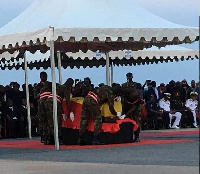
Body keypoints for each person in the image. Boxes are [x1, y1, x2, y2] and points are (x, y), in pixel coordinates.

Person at [45, 78, 74, 145]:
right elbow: (67, 101)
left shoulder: (59, 86)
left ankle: (50, 138)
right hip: (54, 102)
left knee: (50, 121)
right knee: (57, 121)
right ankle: (58, 138)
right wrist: (70, 111)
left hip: (48, 101)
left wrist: (63, 112)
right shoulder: (66, 88)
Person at [34, 72, 51, 143]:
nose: (45, 77)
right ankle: (43, 136)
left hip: (49, 105)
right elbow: (35, 97)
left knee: (49, 120)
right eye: (43, 76)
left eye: (46, 76)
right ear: (40, 77)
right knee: (42, 121)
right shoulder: (38, 86)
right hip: (41, 105)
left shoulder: (50, 85)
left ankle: (50, 136)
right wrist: (42, 94)